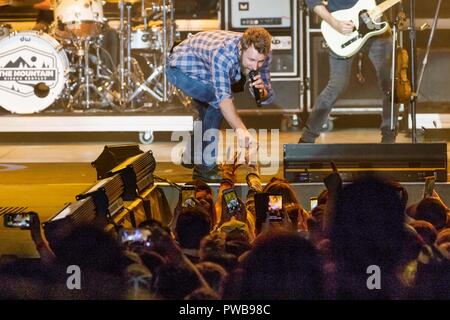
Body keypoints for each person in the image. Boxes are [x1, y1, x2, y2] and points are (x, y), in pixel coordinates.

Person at [166, 28, 274, 182]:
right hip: (182, 69)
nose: (256, 66)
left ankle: (191, 156)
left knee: (208, 110)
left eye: (260, 61)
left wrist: (262, 90)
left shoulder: (263, 52)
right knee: (217, 104)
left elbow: (266, 95)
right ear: (240, 48)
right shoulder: (223, 54)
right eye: (251, 60)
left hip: (206, 72)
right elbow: (223, 100)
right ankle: (205, 167)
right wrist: (241, 130)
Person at [299, 0, 397, 144]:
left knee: (391, 83)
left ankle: (389, 139)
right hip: (341, 26)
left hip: (376, 27)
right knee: (336, 86)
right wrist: (334, 23)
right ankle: (306, 140)